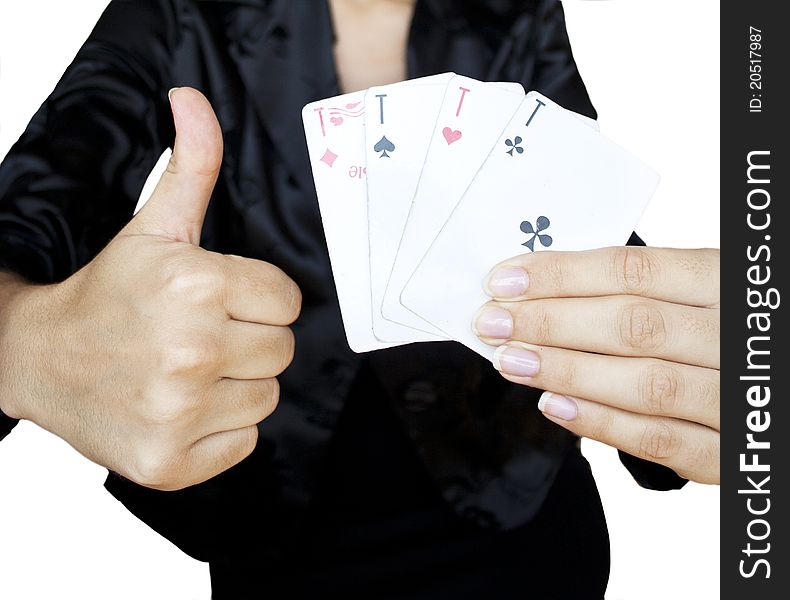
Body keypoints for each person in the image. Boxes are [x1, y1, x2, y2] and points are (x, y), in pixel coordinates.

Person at [0, 0, 719, 597]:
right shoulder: (174, 13)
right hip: (285, 535)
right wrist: (23, 342)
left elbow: (573, 209)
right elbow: (25, 220)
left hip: (523, 515)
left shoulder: (513, 7)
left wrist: (684, 390)